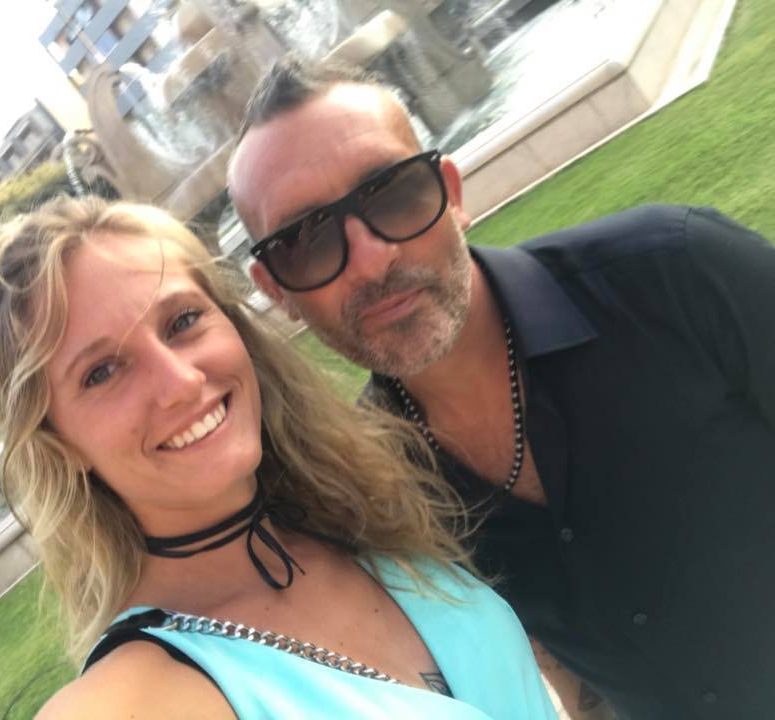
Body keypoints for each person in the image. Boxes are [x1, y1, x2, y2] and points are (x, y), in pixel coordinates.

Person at [226, 57, 775, 719]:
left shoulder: (676, 273)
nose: (371, 259)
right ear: (276, 290)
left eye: (391, 192)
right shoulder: (377, 487)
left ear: (450, 192)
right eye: (306, 239)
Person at [0, 196, 557, 719]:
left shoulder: (363, 517)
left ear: (234, 327)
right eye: (102, 371)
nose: (181, 381)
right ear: (60, 444)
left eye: (182, 321)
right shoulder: (144, 689)